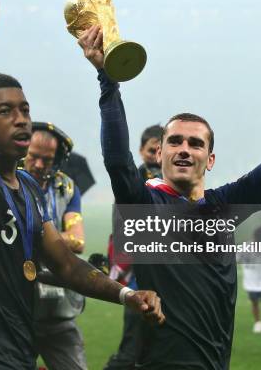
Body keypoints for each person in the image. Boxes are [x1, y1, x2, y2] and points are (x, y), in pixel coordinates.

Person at [0, 0, 164, 370]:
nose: (22, 118)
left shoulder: (26, 188)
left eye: (24, 109)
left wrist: (127, 295)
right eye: (5, 111)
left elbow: (68, 267)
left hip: (18, 353)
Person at [77, 24, 261, 369]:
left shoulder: (223, 207)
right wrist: (108, 79)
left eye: (195, 143)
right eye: (174, 141)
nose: (183, 149)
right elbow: (118, 161)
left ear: (209, 159)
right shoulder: (145, 205)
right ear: (159, 153)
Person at [23, 122, 87, 370]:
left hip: (58, 307)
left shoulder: (68, 188)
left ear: (58, 159)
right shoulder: (7, 181)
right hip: (16, 310)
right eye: (33, 157)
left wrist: (33, 237)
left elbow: (78, 241)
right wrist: (58, 241)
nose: (39, 165)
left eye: (47, 160)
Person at [104, 123, 163, 370]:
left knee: (154, 347)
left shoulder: (172, 180)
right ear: (141, 150)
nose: (157, 157)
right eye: (152, 150)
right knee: (133, 344)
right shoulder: (136, 180)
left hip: (161, 270)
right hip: (139, 268)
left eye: (162, 150)